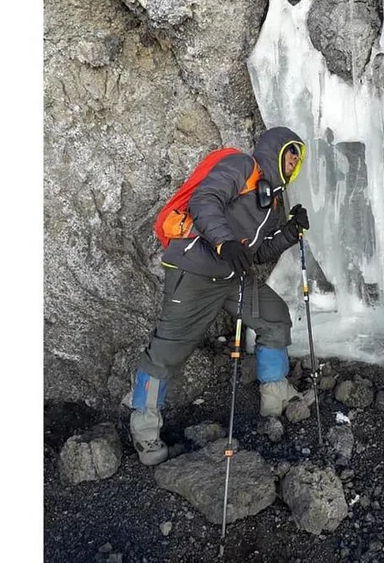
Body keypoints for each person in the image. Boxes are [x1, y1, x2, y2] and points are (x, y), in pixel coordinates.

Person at [129, 126, 312, 465]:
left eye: (297, 157)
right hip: (195, 271)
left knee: (274, 317)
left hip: (231, 277)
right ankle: (143, 428)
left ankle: (275, 397)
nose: (292, 160)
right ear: (275, 149)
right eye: (290, 151)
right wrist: (223, 242)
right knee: (168, 348)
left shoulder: (269, 200)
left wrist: (289, 232)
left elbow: (256, 253)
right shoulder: (243, 167)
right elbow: (205, 200)